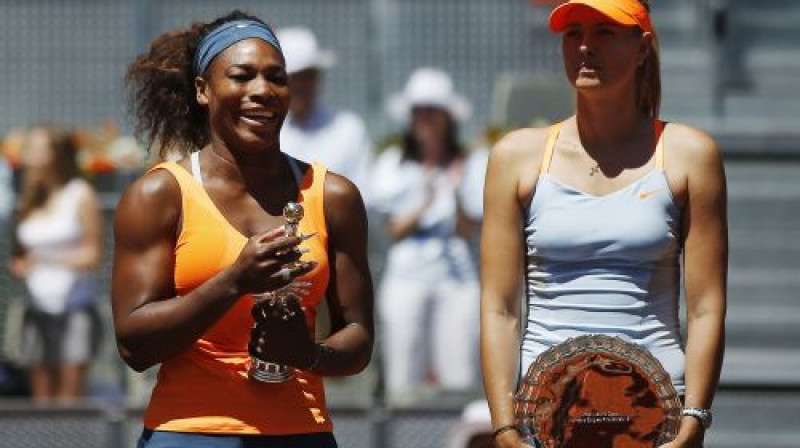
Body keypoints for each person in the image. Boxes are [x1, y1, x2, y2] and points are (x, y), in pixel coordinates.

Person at [116, 10, 373, 448]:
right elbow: (134, 346)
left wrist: (306, 353)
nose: (262, 91)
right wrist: (234, 281)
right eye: (242, 76)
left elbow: (359, 339)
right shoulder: (161, 194)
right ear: (203, 90)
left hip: (302, 432)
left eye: (276, 77)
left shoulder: (333, 196)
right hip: (188, 432)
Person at [480, 1, 727, 448]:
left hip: (656, 414)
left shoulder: (691, 154)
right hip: (544, 416)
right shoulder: (515, 155)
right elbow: (499, 308)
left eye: (606, 32)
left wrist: (694, 419)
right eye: (573, 33)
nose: (585, 47)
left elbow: (707, 306)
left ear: (642, 48)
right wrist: (505, 428)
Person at [373, 67, 482, 401]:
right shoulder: (393, 162)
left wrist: (459, 193)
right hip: (407, 279)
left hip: (457, 282)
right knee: (403, 378)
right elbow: (393, 231)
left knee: (459, 377)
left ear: (447, 117)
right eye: (417, 111)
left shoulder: (472, 162)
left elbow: (469, 231)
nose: (423, 118)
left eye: (431, 111)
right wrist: (426, 203)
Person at [9, 126, 103, 403]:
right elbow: (24, 251)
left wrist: (48, 259)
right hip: (36, 307)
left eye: (36, 148)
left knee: (69, 398)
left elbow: (92, 255)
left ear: (56, 155)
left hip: (74, 307)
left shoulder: (79, 193)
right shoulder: (30, 195)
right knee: (40, 400)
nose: (28, 155)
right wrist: (22, 265)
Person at [277, 26, 373, 201]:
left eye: (306, 77)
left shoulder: (349, 130)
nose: (298, 86)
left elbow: (363, 195)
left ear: (317, 80)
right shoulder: (268, 131)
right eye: (291, 79)